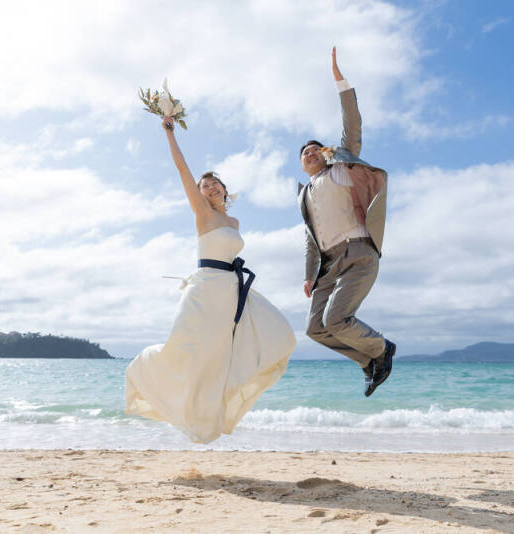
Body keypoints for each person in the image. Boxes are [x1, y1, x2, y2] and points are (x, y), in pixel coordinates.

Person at [124, 115, 295, 443]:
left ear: (224, 189)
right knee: (186, 352)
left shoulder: (233, 221)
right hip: (204, 291)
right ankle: (143, 370)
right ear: (200, 194)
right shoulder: (202, 214)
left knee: (262, 341)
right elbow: (181, 168)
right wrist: (169, 133)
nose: (210, 187)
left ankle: (208, 419)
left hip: (231, 293)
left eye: (215, 183)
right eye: (204, 186)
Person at [297, 47, 395, 397]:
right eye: (303, 153)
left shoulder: (340, 170)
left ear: (324, 154)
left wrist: (340, 81)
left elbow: (352, 125)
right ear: (301, 165)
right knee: (315, 329)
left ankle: (381, 349)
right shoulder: (305, 194)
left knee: (336, 321)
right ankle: (369, 361)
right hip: (328, 266)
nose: (309, 152)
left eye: (314, 148)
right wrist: (310, 275)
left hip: (358, 253)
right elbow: (311, 239)